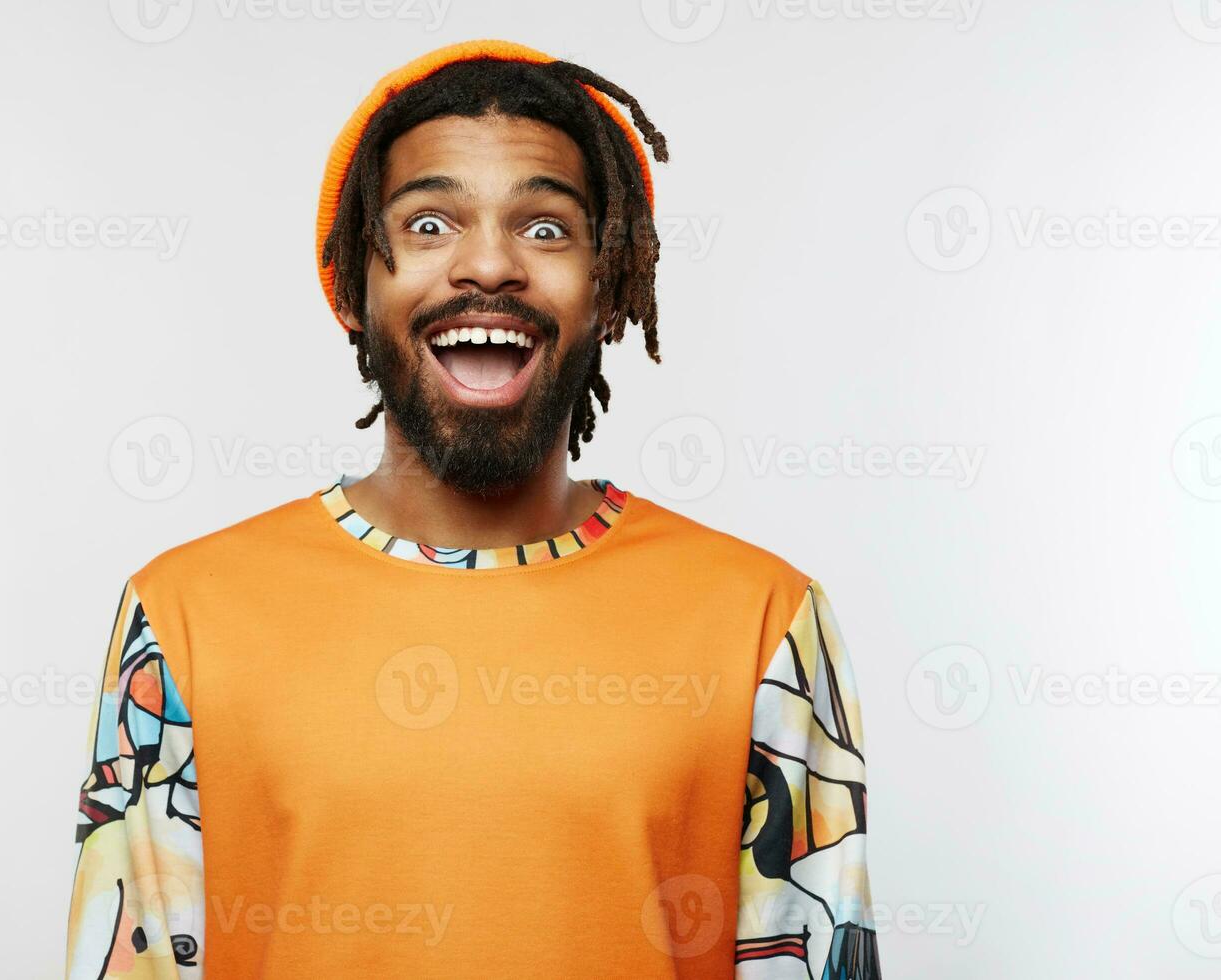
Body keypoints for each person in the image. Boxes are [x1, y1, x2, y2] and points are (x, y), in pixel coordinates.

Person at [64, 38, 881, 979]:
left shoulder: (765, 622)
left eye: (544, 229)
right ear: (352, 287)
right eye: (427, 225)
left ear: (610, 286)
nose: (488, 264)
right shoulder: (181, 619)